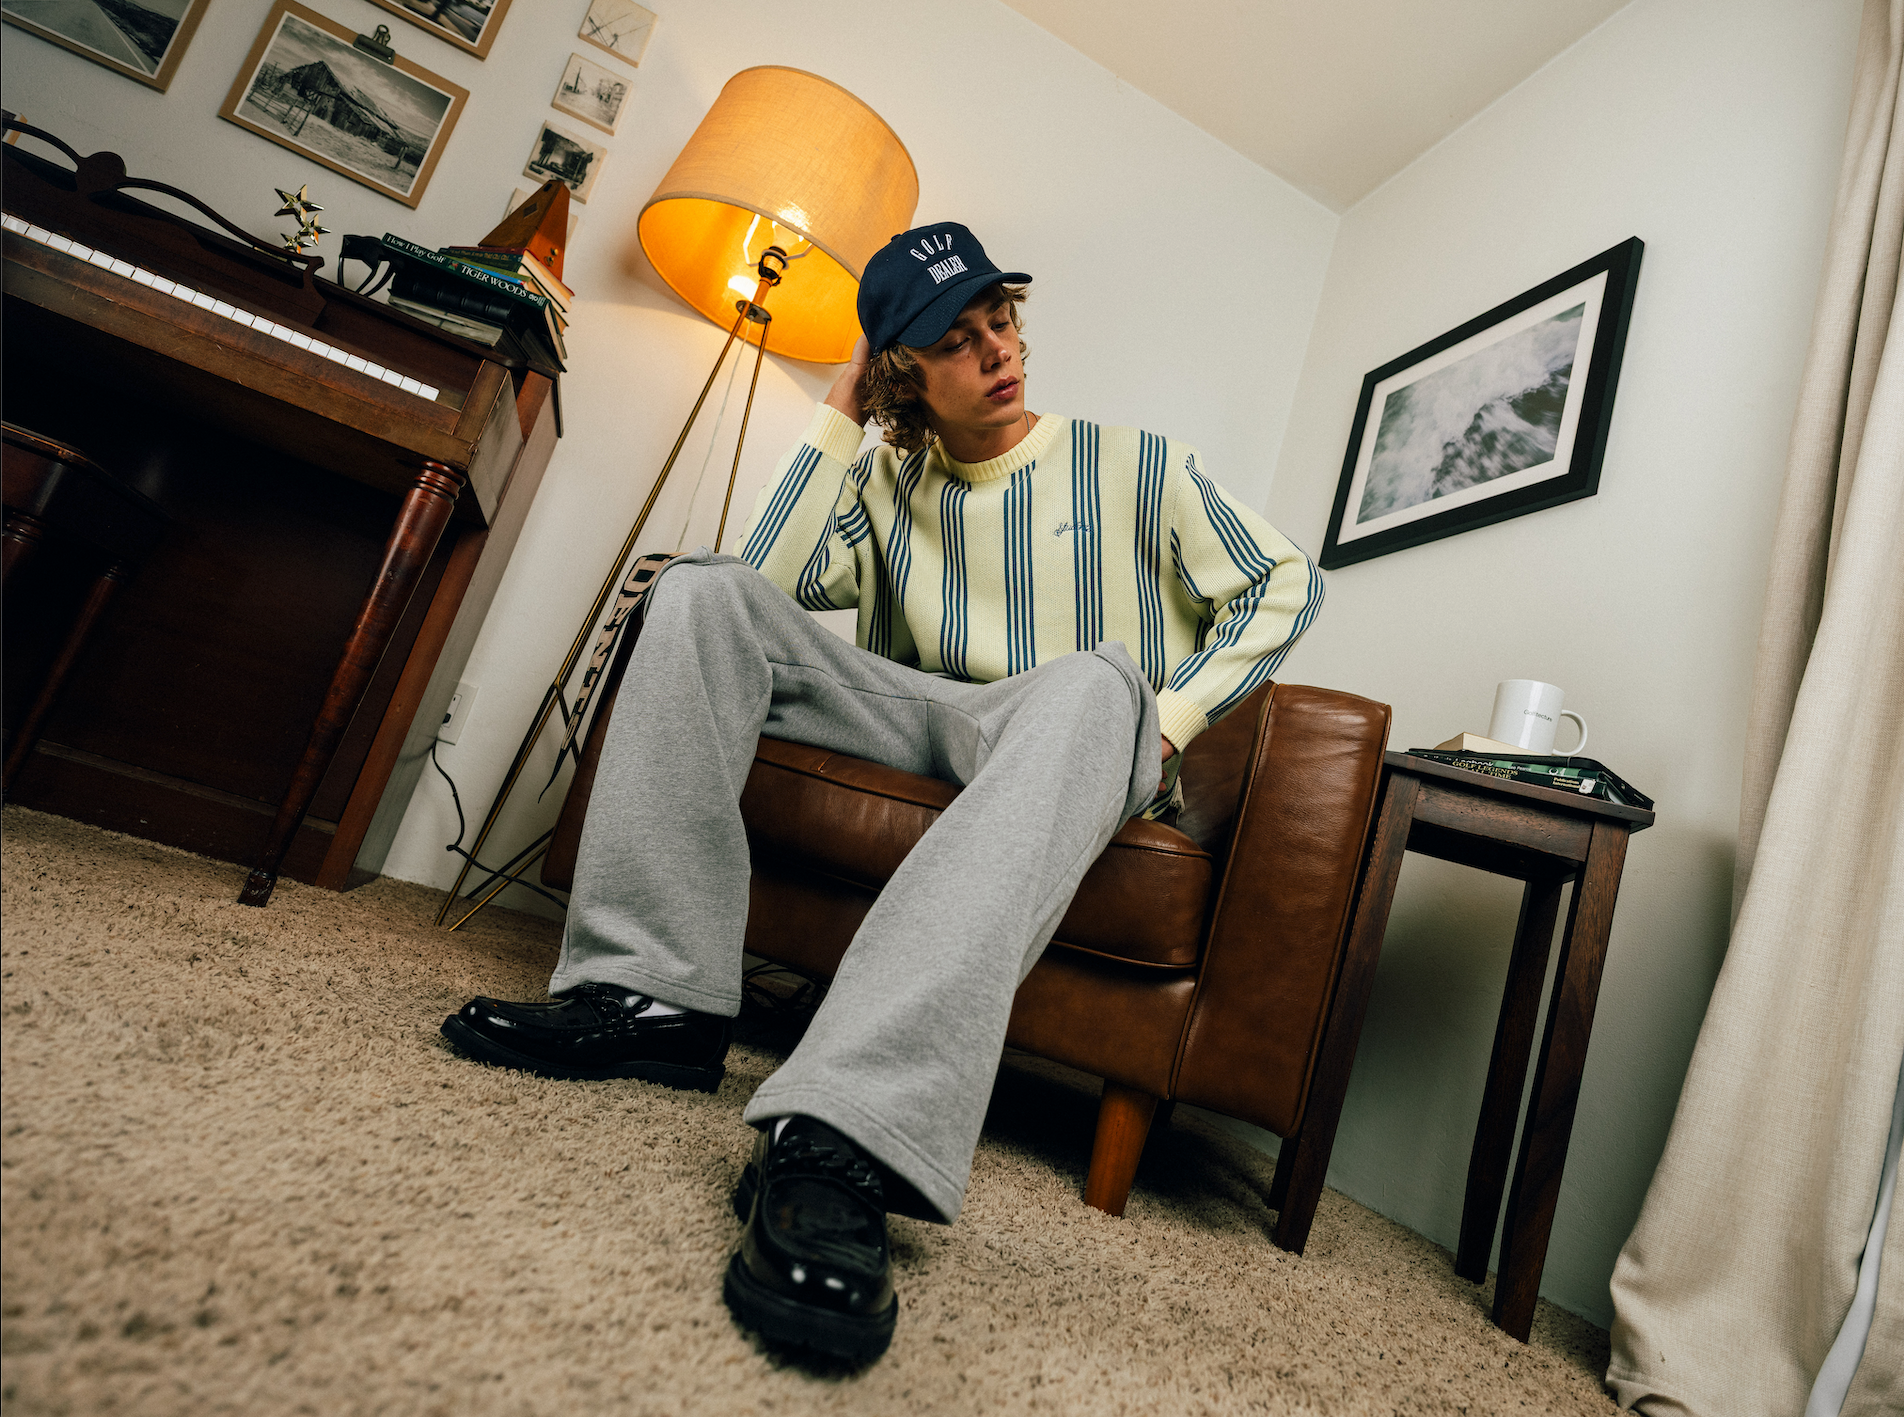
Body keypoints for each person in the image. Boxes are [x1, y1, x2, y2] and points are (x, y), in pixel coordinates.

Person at [441, 223, 1324, 1365]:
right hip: (910, 712)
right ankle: (652, 1001)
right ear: (902, 370)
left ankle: (839, 1127)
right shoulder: (886, 472)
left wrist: (1167, 718)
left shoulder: (1137, 463)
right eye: (958, 342)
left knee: (1100, 679)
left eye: (1001, 319)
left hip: (1053, 723)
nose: (1000, 351)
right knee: (700, 592)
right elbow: (763, 586)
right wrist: (836, 414)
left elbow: (1283, 580)